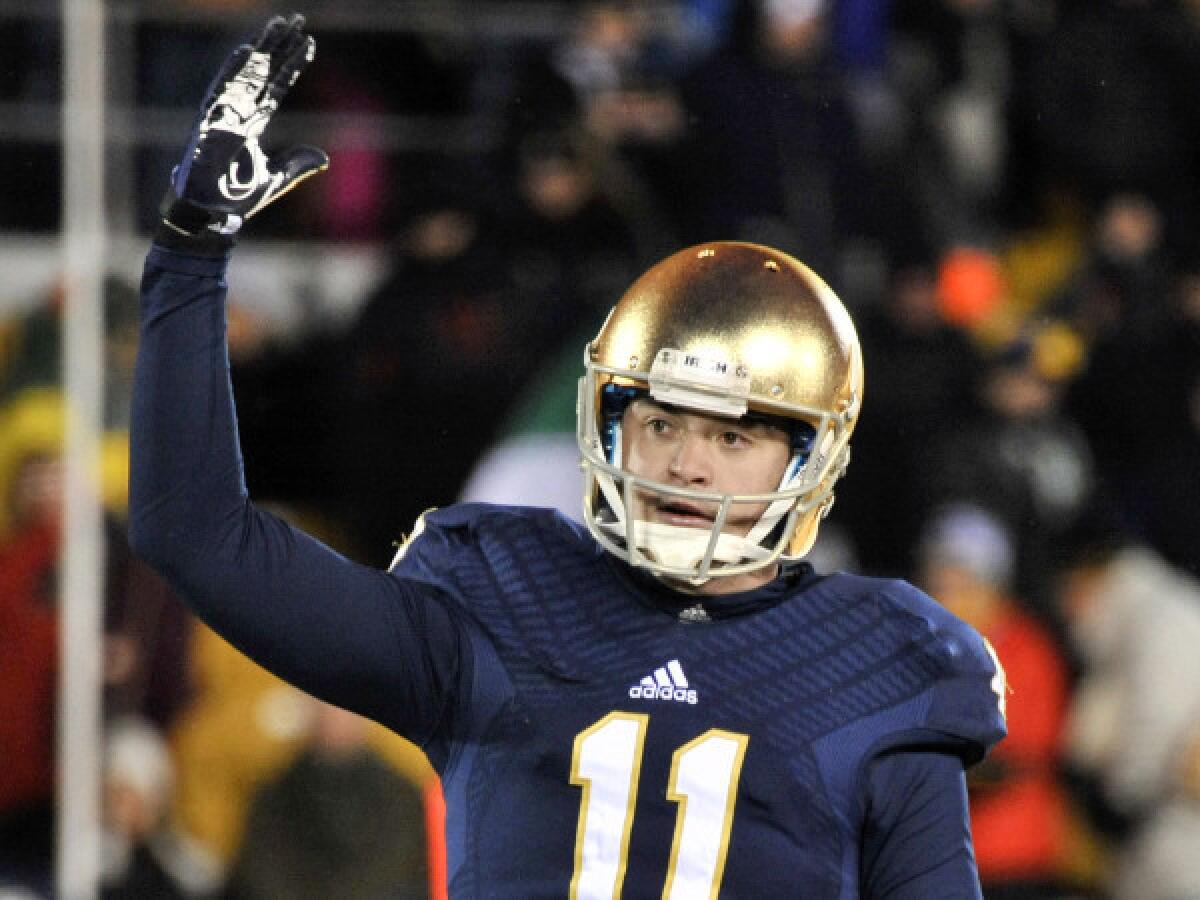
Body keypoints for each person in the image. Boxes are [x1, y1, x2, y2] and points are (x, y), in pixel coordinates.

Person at [129, 14, 1006, 897]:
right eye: (661, 424)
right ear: (609, 425)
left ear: (809, 460)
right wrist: (190, 257)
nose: (685, 464)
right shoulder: (504, 602)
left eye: (733, 435)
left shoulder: (878, 662)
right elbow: (195, 535)